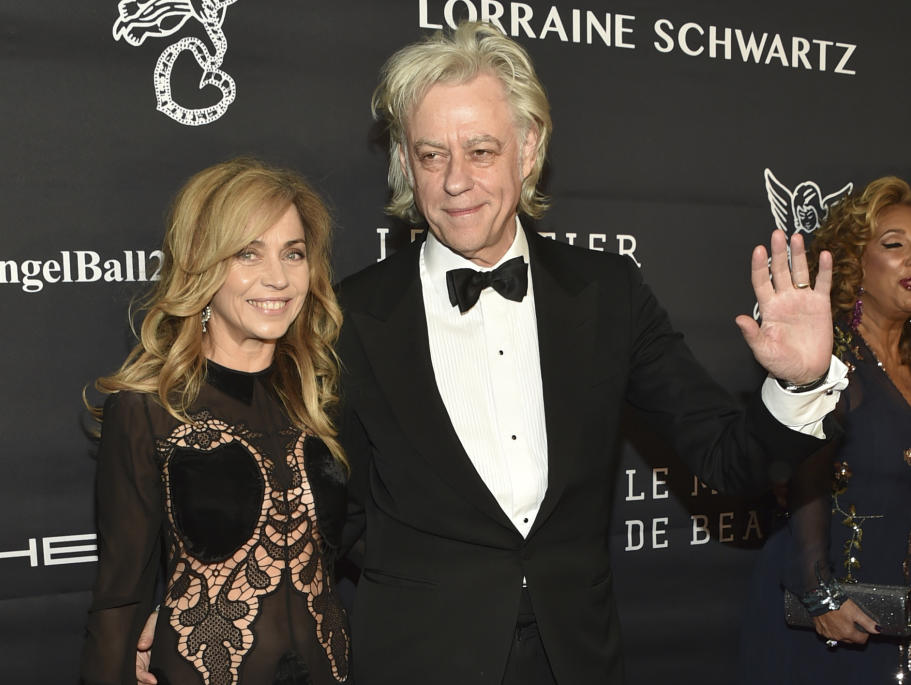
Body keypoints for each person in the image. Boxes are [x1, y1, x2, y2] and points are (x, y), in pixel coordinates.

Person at [136, 22, 845, 685]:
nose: (454, 181)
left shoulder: (606, 292)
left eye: (480, 150)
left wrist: (799, 382)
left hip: (578, 656)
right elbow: (314, 511)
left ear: (528, 148)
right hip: (414, 657)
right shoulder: (345, 315)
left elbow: (729, 459)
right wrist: (183, 608)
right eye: (430, 154)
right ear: (405, 164)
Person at [81, 158, 351, 685]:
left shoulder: (323, 398)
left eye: (292, 253)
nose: (277, 277)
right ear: (203, 265)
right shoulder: (148, 409)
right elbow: (120, 597)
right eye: (248, 253)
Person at [738, 176, 911, 684]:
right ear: (855, 260)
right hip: (829, 616)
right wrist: (818, 590)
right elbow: (802, 470)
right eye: (895, 244)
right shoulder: (826, 358)